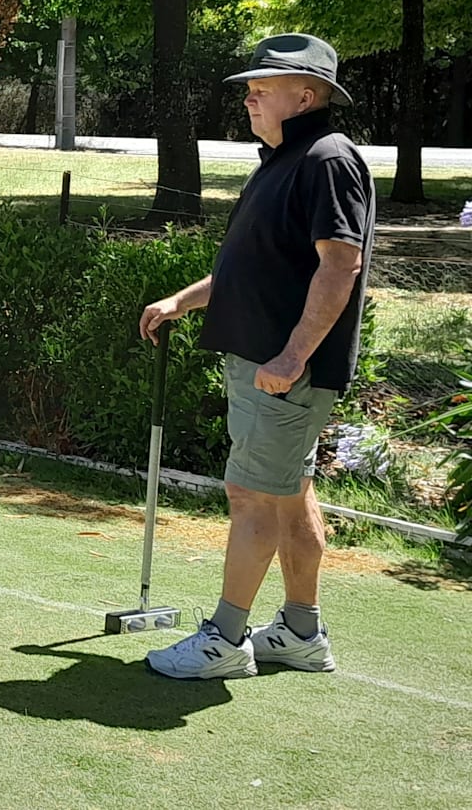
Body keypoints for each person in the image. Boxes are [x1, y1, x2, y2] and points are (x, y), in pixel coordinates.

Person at [139, 34, 375, 680]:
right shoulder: (283, 158)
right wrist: (183, 301)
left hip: (282, 372)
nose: (248, 98)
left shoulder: (326, 158)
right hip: (266, 367)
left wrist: (294, 355)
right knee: (288, 496)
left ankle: (224, 638)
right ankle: (301, 632)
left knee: (252, 499)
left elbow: (340, 264)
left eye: (261, 88)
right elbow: (258, 265)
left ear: (305, 95)